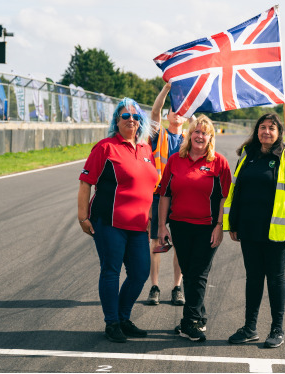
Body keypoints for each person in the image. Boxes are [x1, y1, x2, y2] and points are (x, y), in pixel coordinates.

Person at [77, 97, 158, 343]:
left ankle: (123, 317)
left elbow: (149, 187)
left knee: (140, 272)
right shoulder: (105, 147)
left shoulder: (146, 149)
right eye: (125, 116)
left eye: (136, 116)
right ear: (116, 120)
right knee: (111, 271)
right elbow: (85, 183)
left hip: (138, 225)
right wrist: (82, 217)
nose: (131, 120)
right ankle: (112, 322)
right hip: (109, 222)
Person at [223, 112, 285, 348]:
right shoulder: (247, 155)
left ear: (280, 133)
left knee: (275, 278)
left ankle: (277, 329)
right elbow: (237, 190)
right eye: (262, 127)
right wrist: (234, 223)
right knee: (253, 279)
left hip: (276, 231)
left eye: (272, 128)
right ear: (256, 131)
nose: (266, 131)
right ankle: (250, 327)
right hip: (249, 228)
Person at [158, 115, 232, 342]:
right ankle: (199, 316)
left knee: (199, 273)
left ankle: (188, 322)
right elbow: (164, 195)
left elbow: (225, 198)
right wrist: (162, 226)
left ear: (211, 138)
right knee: (189, 272)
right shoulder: (175, 160)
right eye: (196, 132)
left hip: (207, 227)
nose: (200, 136)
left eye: (204, 132)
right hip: (179, 226)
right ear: (189, 135)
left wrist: (220, 226)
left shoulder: (219, 162)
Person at [147, 82, 195, 306]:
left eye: (181, 111)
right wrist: (166, 90)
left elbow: (197, 124)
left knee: (181, 243)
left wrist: (189, 104)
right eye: (173, 110)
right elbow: (155, 112)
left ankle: (177, 287)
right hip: (158, 196)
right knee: (157, 241)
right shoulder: (160, 135)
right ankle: (154, 286)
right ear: (167, 116)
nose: (177, 113)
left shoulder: (190, 139)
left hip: (182, 197)